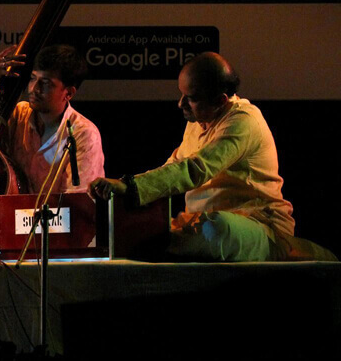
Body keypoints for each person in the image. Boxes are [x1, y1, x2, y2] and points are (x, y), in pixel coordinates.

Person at [90, 52, 336, 262]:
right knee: (157, 230)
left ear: (221, 100)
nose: (180, 104)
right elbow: (175, 166)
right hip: (200, 222)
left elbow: (195, 169)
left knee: (216, 228)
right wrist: (127, 187)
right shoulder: (199, 120)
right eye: (181, 94)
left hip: (260, 228)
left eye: (191, 98)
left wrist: (129, 187)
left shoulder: (243, 121)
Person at [0, 44, 105, 194]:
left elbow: (80, 200)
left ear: (69, 93)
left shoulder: (83, 134)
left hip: (55, 228)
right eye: (32, 79)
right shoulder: (16, 114)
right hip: (10, 224)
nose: (34, 89)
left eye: (46, 83)